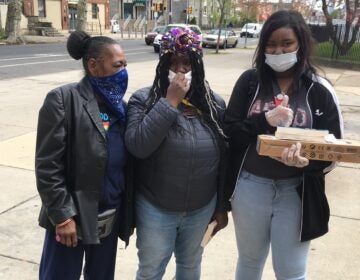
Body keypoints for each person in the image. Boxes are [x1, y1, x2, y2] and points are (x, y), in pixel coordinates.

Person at [224, 10, 343, 280]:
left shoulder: (319, 90)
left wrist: (307, 161)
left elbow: (334, 148)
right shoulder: (250, 82)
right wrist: (264, 120)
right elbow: (229, 131)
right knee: (250, 262)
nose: (279, 50)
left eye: (286, 43)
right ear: (263, 46)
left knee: (291, 271)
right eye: (272, 44)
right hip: (251, 187)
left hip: (296, 192)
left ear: (300, 43)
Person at [125, 28, 229, 280]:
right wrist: (170, 102)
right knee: (151, 270)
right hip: (156, 208)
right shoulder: (143, 99)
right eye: (173, 63)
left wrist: (221, 205)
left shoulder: (214, 104)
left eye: (187, 63)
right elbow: (137, 146)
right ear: (162, 65)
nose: (181, 70)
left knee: (190, 266)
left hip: (200, 208)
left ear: (198, 65)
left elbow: (225, 158)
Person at [35, 31, 134, 280]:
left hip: (108, 215)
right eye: (117, 65)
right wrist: (62, 215)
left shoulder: (121, 108)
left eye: (125, 65)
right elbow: (48, 167)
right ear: (93, 66)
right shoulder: (63, 100)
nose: (124, 72)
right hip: (72, 217)